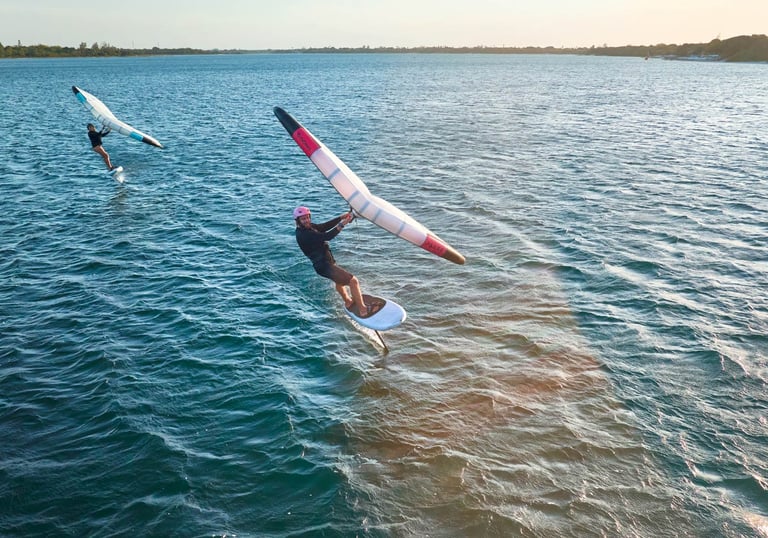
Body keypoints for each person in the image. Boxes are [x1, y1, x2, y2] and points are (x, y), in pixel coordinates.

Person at [293, 205, 371, 315]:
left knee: (339, 281)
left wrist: (341, 217)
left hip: (325, 263)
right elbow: (328, 236)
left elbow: (324, 227)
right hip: (324, 265)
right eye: (303, 219)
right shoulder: (305, 234)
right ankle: (362, 309)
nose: (306, 220)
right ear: (298, 221)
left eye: (307, 217)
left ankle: (348, 301)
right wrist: (342, 224)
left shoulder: (308, 227)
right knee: (353, 281)